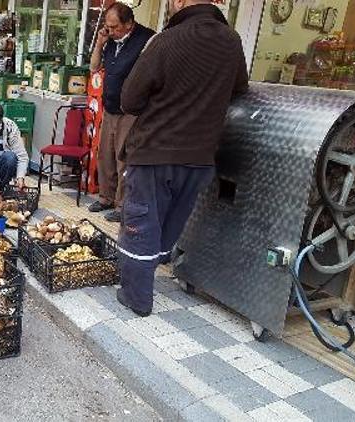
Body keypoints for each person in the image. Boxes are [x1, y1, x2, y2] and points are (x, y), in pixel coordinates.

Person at [116, 0, 249, 317]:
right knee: (171, 221)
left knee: (141, 222)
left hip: (155, 151)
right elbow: (240, 88)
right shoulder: (232, 41)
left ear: (178, 2)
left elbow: (130, 100)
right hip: (200, 156)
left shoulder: (167, 40)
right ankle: (151, 269)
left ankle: (137, 296)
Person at [88, 3, 154, 223]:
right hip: (110, 106)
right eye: (108, 27)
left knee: (123, 158)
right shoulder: (109, 41)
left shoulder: (146, 40)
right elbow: (94, 68)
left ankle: (122, 205)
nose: (111, 31)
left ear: (129, 24)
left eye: (115, 27)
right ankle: (105, 197)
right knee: (104, 155)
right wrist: (99, 44)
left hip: (132, 110)